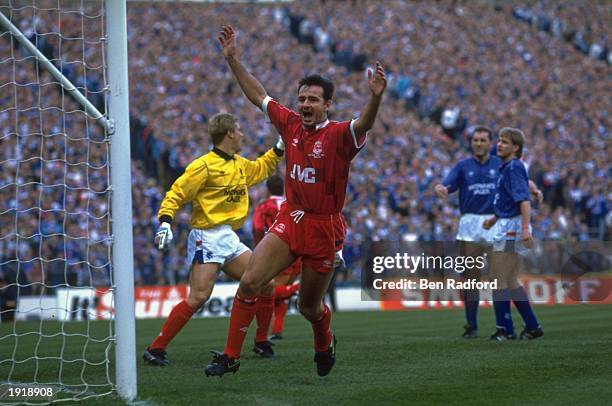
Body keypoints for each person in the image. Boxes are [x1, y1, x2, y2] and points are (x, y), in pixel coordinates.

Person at [205, 25, 386, 377]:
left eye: (312, 100)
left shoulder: (338, 135)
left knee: (309, 307)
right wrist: (233, 61)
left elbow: (364, 123)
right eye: (302, 98)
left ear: (327, 105)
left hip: (324, 227)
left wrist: (375, 97)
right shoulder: (289, 124)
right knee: (250, 283)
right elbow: (259, 96)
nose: (304, 104)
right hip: (292, 218)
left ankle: (324, 342)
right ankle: (230, 356)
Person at [142, 112, 284, 366]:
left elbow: (262, 168)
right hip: (205, 237)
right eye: (239, 130)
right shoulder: (203, 166)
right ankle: (156, 348)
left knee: (266, 283)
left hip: (227, 236)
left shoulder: (239, 164)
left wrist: (280, 147)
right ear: (229, 133)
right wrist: (165, 221)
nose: (242, 134)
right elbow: (176, 192)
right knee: (198, 297)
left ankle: (261, 342)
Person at [434, 127, 542, 338]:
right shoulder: (464, 166)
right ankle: (473, 325)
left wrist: (534, 190)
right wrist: (442, 188)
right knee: (472, 278)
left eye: (484, 140)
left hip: (501, 223)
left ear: (490, 142)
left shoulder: (503, 164)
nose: (479, 143)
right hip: (473, 224)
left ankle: (506, 328)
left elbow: (523, 184)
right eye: (475, 140)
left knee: (501, 278)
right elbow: (447, 183)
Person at [483, 127, 543, 341]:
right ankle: (533, 326)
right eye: (498, 140)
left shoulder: (513, 167)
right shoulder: (510, 167)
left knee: (498, 278)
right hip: (506, 224)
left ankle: (505, 330)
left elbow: (523, 201)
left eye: (505, 142)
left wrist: (525, 228)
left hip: (512, 228)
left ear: (516, 147)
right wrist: (495, 217)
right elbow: (521, 189)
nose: (499, 144)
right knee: (509, 280)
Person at [252, 175, 301, 340]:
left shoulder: (264, 206)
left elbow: (258, 228)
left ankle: (299, 288)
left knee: (268, 289)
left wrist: (259, 249)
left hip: (276, 255)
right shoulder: (293, 204)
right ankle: (278, 330)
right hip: (296, 254)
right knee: (279, 299)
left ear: (267, 189)